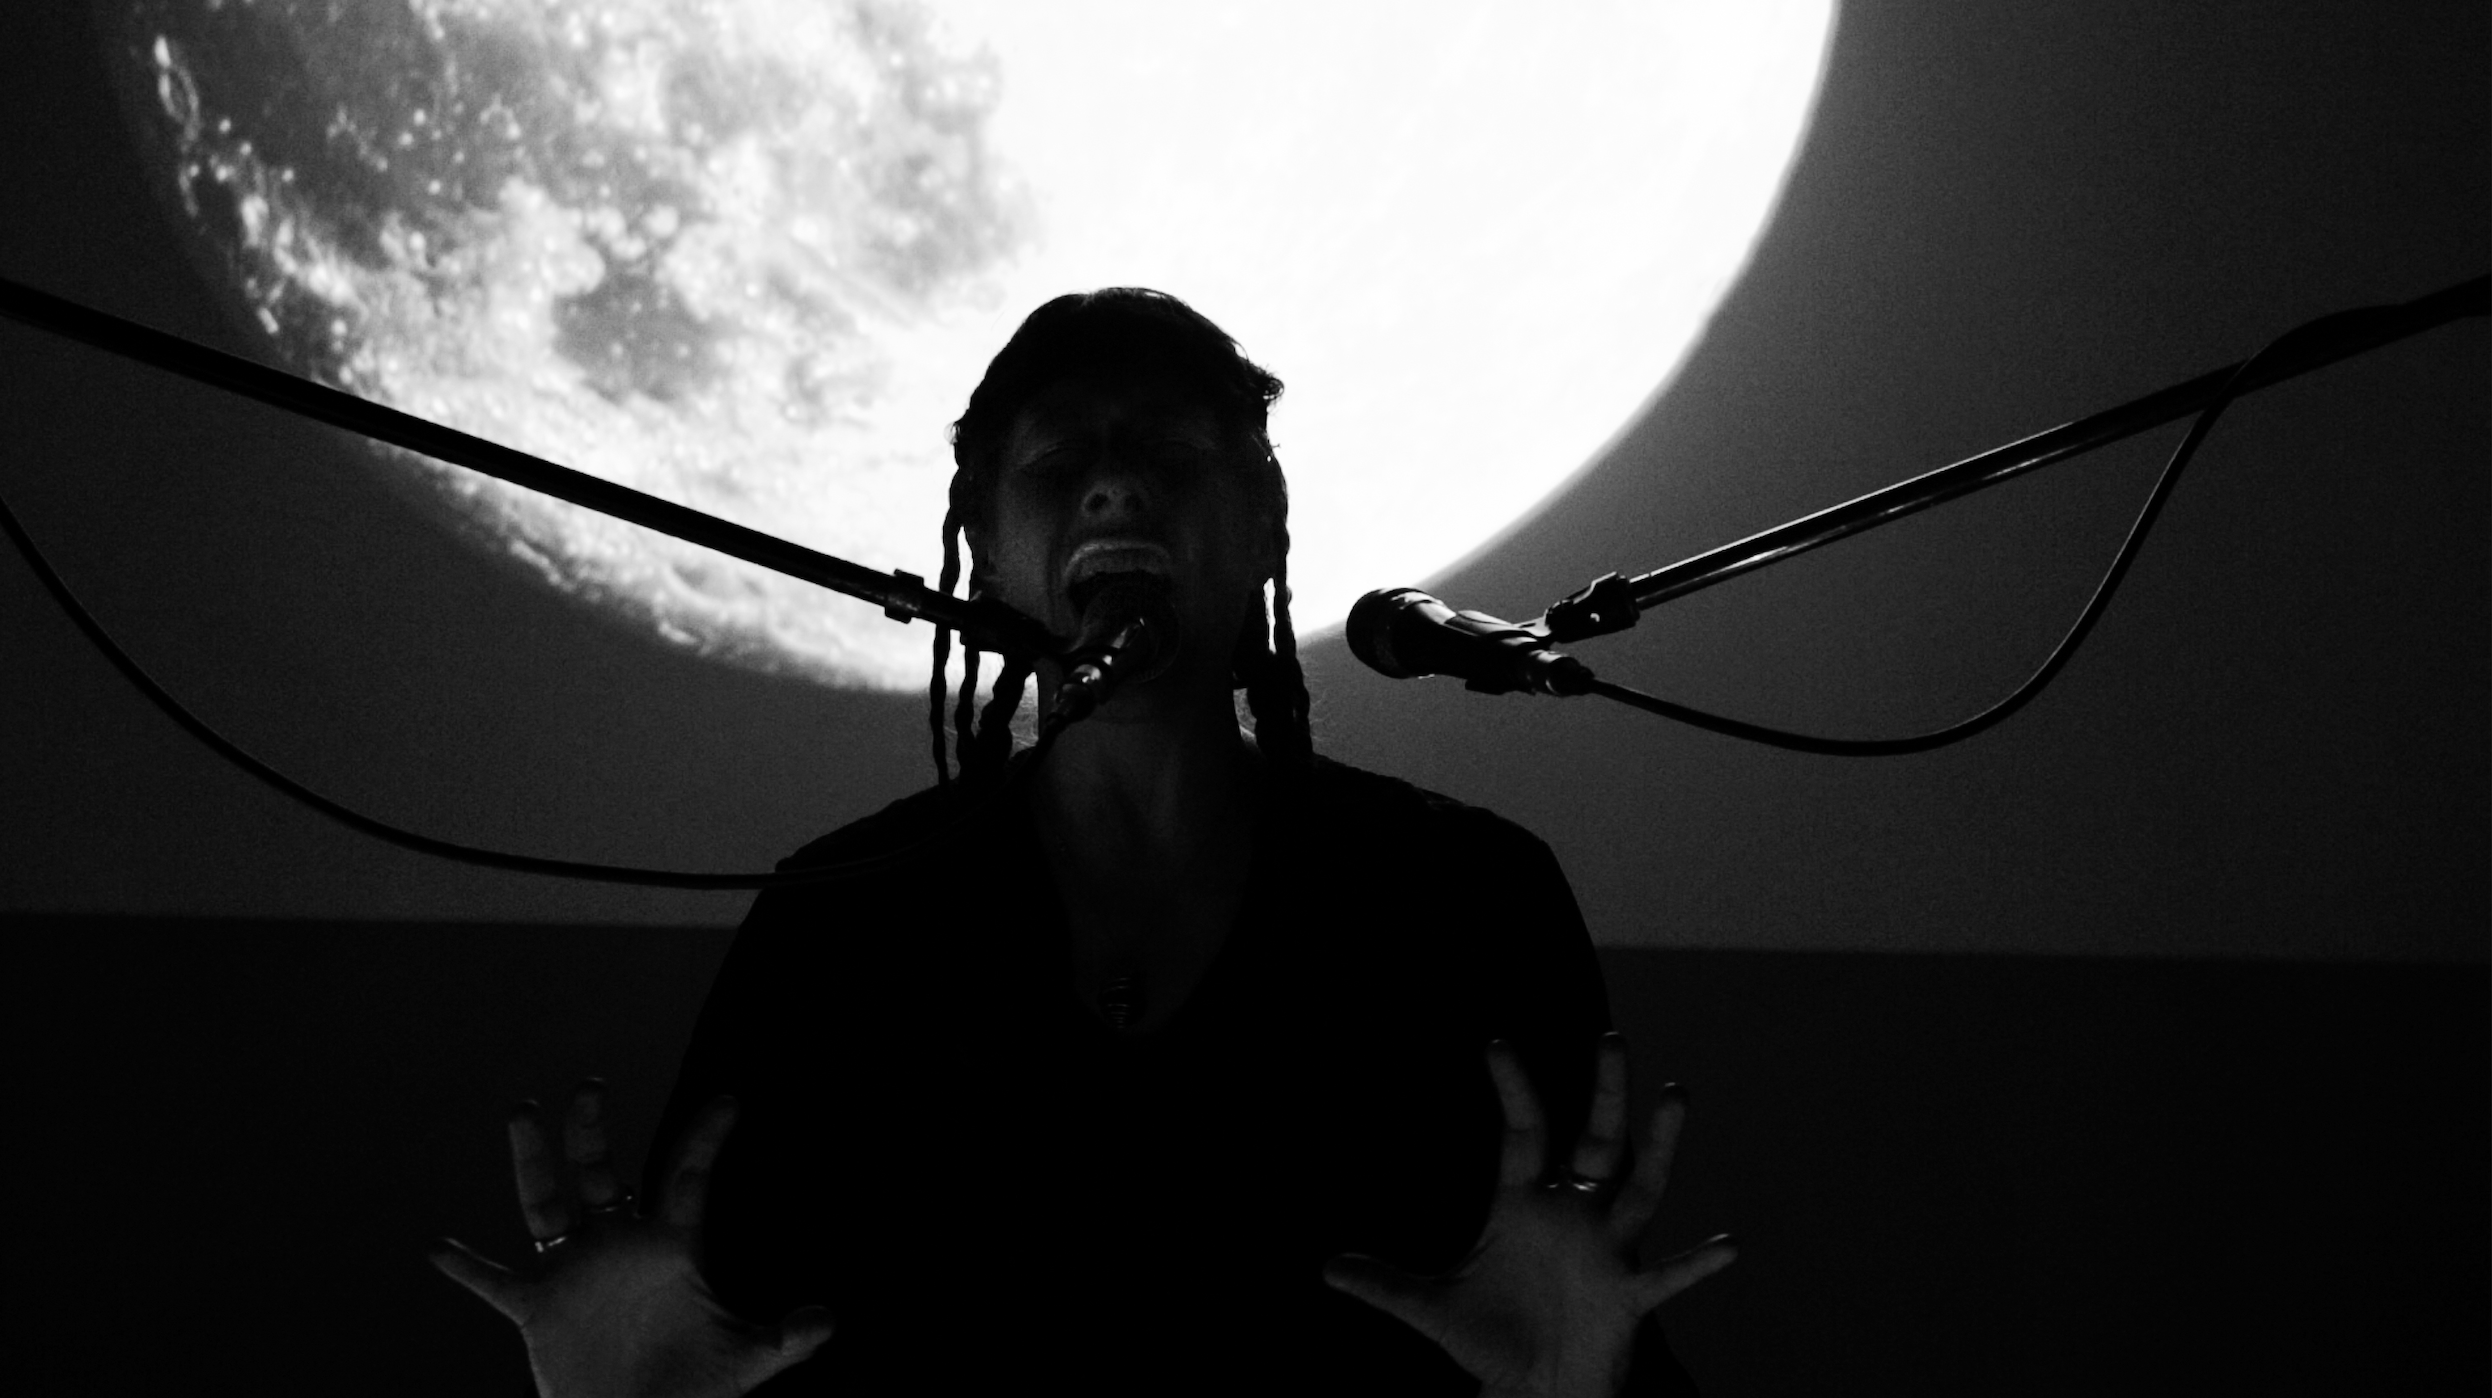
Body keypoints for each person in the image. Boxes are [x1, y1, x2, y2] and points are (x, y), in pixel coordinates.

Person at [430, 289, 1736, 1397]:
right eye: (1061, 463)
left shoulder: (1467, 896)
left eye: (1173, 449)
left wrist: (1577, 1396)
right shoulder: (839, 919)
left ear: (1270, 517)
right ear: (985, 550)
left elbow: (1594, 1332)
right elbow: (722, 1339)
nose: (1120, 482)